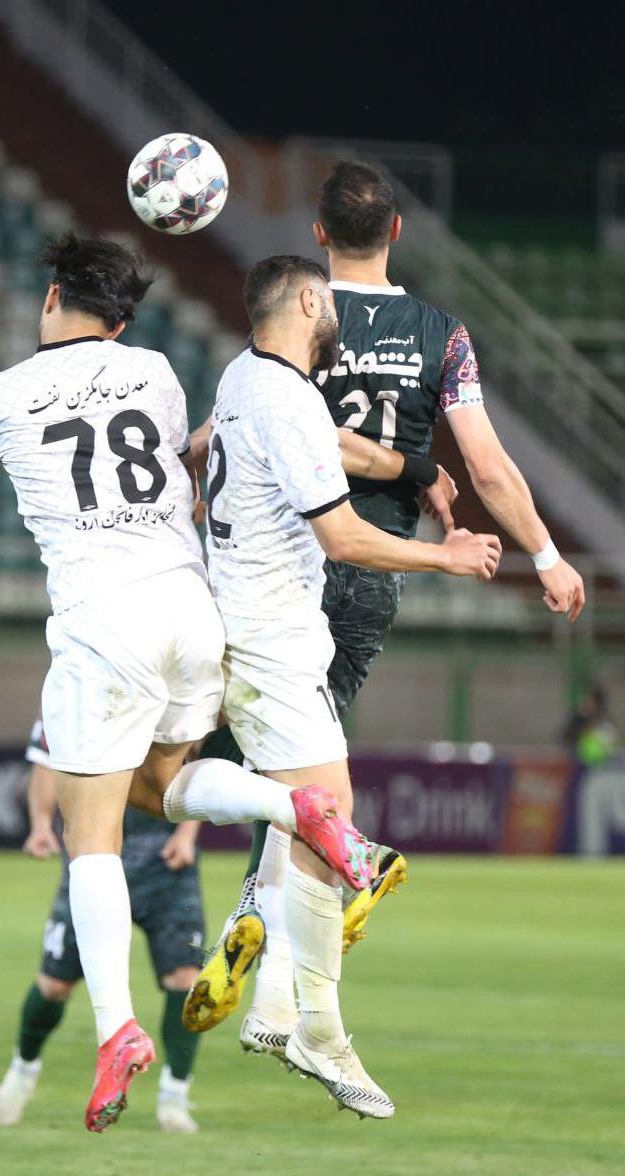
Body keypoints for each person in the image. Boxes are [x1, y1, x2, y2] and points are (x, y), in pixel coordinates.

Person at [0, 232, 409, 1133]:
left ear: (51, 297)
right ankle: (295, 807)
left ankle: (115, 1029)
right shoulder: (155, 372)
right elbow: (187, 467)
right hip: (192, 610)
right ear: (120, 321)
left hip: (102, 621)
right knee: (157, 788)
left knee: (93, 836)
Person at [185, 161, 586, 1049]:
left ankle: (237, 910)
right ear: (396, 231)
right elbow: (487, 468)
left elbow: (233, 429)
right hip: (369, 563)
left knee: (264, 763)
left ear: (318, 235)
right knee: (308, 774)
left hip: (267, 563)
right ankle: (269, 959)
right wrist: (545, 555)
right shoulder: (441, 334)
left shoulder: (296, 314)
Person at [194, 252, 501, 1118]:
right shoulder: (290, 399)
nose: (334, 312)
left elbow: (316, 446)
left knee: (251, 804)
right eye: (326, 301)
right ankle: (316, 1030)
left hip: (226, 616)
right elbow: (344, 540)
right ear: (307, 300)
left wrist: (410, 470)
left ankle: (273, 1005)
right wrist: (444, 557)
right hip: (273, 634)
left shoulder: (241, 377)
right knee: (327, 824)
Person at [0, 719, 206, 1133]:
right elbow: (45, 763)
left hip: (164, 865)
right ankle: (22, 1070)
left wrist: (187, 834)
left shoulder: (171, 692)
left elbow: (197, 760)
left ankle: (174, 1095)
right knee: (54, 985)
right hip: (93, 862)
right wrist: (40, 825)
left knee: (185, 979)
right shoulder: (70, 696)